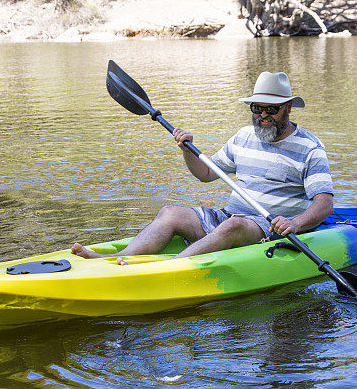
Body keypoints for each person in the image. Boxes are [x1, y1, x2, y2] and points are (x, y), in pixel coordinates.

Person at [71, 71, 334, 262]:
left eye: (271, 109)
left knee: (233, 227)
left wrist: (295, 223)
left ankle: (173, 267)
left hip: (271, 227)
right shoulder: (243, 136)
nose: (263, 116)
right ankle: (114, 258)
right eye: (257, 108)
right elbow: (207, 174)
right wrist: (187, 151)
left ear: (288, 107)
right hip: (231, 216)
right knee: (171, 212)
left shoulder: (310, 147)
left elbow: (324, 204)